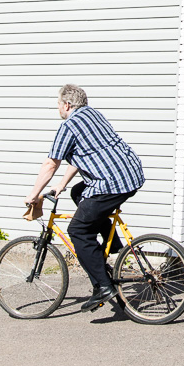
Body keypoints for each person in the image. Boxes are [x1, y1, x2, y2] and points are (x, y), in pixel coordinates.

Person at [27, 83, 145, 313]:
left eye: (59, 104)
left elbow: (51, 163)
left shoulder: (69, 126)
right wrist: (61, 185)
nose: (58, 108)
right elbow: (82, 156)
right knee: (77, 193)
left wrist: (33, 194)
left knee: (78, 231)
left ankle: (103, 286)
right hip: (131, 174)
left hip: (111, 183)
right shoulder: (93, 114)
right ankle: (112, 245)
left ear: (67, 105)